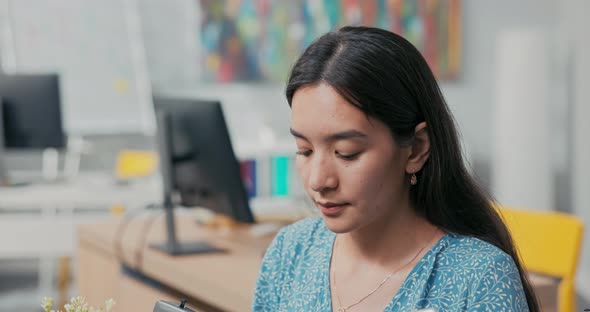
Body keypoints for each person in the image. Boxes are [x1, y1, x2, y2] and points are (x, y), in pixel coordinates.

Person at [252, 26, 539, 312]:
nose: (318, 180)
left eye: (346, 153)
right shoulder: (290, 252)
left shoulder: (479, 279)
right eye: (305, 150)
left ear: (415, 149)